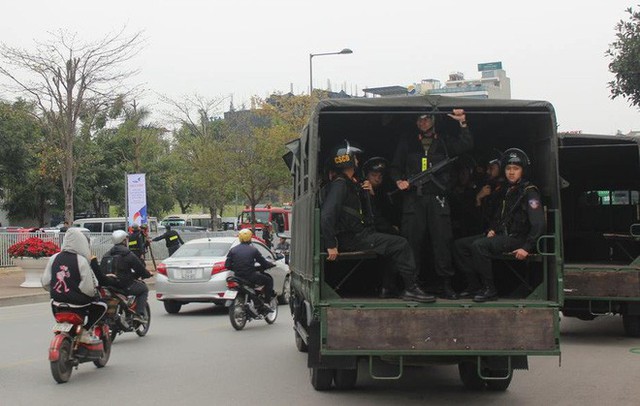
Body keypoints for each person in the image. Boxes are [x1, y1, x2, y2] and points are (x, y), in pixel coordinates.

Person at [321, 140, 435, 303]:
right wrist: (331, 244)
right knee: (401, 244)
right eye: (355, 158)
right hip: (354, 239)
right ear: (348, 160)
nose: (358, 161)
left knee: (392, 244)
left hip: (358, 235)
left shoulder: (349, 184)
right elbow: (327, 215)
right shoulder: (340, 184)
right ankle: (411, 289)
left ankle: (388, 288)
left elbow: (366, 215)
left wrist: (367, 193)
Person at [390, 110, 473, 300]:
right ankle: (411, 285)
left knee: (442, 241)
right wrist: (399, 181)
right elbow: (395, 168)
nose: (423, 122)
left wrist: (463, 124)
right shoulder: (408, 142)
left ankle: (446, 285)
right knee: (412, 243)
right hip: (413, 200)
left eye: (427, 118)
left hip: (438, 200)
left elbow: (466, 145)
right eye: (419, 119)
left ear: (434, 120)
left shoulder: (444, 141)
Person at [453, 148, 545, 302]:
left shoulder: (529, 192)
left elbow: (538, 222)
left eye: (516, 169)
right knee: (459, 245)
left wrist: (527, 247)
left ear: (523, 171)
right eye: (508, 169)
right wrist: (491, 230)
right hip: (501, 235)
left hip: (517, 239)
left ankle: (489, 289)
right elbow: (497, 217)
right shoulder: (505, 190)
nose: (511, 172)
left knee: (479, 246)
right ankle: (474, 285)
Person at [41, 227, 111, 343]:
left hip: (56, 302)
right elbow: (88, 288)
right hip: (77, 304)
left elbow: (45, 282)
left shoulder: (54, 258)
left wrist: (56, 292)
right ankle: (85, 329)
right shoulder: (81, 260)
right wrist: (93, 295)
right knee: (102, 305)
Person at [225, 229, 276, 313]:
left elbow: (227, 265)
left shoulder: (233, 250)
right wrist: (270, 265)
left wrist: (237, 268)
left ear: (240, 238)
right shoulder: (253, 250)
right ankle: (266, 303)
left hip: (237, 277)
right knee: (268, 280)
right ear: (250, 238)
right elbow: (263, 262)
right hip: (250, 276)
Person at [105, 229, 152, 320]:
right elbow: (140, 268)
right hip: (124, 285)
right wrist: (147, 274)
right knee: (143, 289)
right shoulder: (128, 254)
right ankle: (139, 314)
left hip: (110, 285)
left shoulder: (107, 254)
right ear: (124, 241)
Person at [362, 156, 400, 235]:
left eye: (380, 176)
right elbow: (374, 217)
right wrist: (391, 229)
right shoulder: (360, 191)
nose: (377, 179)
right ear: (366, 175)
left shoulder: (384, 192)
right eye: (373, 175)